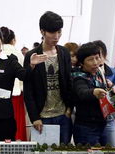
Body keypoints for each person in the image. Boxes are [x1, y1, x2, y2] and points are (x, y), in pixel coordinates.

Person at [0, 25, 44, 144]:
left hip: (3, 117)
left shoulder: (9, 60)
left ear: (1, 41)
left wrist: (31, 65)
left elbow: (25, 76)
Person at [23, 11, 73, 144]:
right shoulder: (32, 55)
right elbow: (28, 89)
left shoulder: (64, 53)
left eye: (59, 32)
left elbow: (69, 82)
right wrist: (34, 117)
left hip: (63, 114)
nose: (56, 36)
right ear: (42, 32)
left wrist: (69, 108)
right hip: (42, 116)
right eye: (52, 32)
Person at [71, 42, 110, 146]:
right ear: (81, 63)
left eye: (97, 58)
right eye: (90, 59)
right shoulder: (78, 77)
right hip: (86, 127)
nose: (95, 62)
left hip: (102, 123)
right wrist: (94, 92)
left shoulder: (99, 74)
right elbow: (82, 92)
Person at [93, 40, 115, 147]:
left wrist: (114, 90)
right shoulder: (87, 73)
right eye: (93, 57)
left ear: (104, 55)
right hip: (92, 118)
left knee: (114, 150)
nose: (96, 60)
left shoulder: (114, 73)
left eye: (98, 56)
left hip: (109, 118)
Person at [0, 26, 27, 141]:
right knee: (18, 124)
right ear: (13, 39)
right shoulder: (18, 53)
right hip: (17, 94)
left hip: (0, 95)